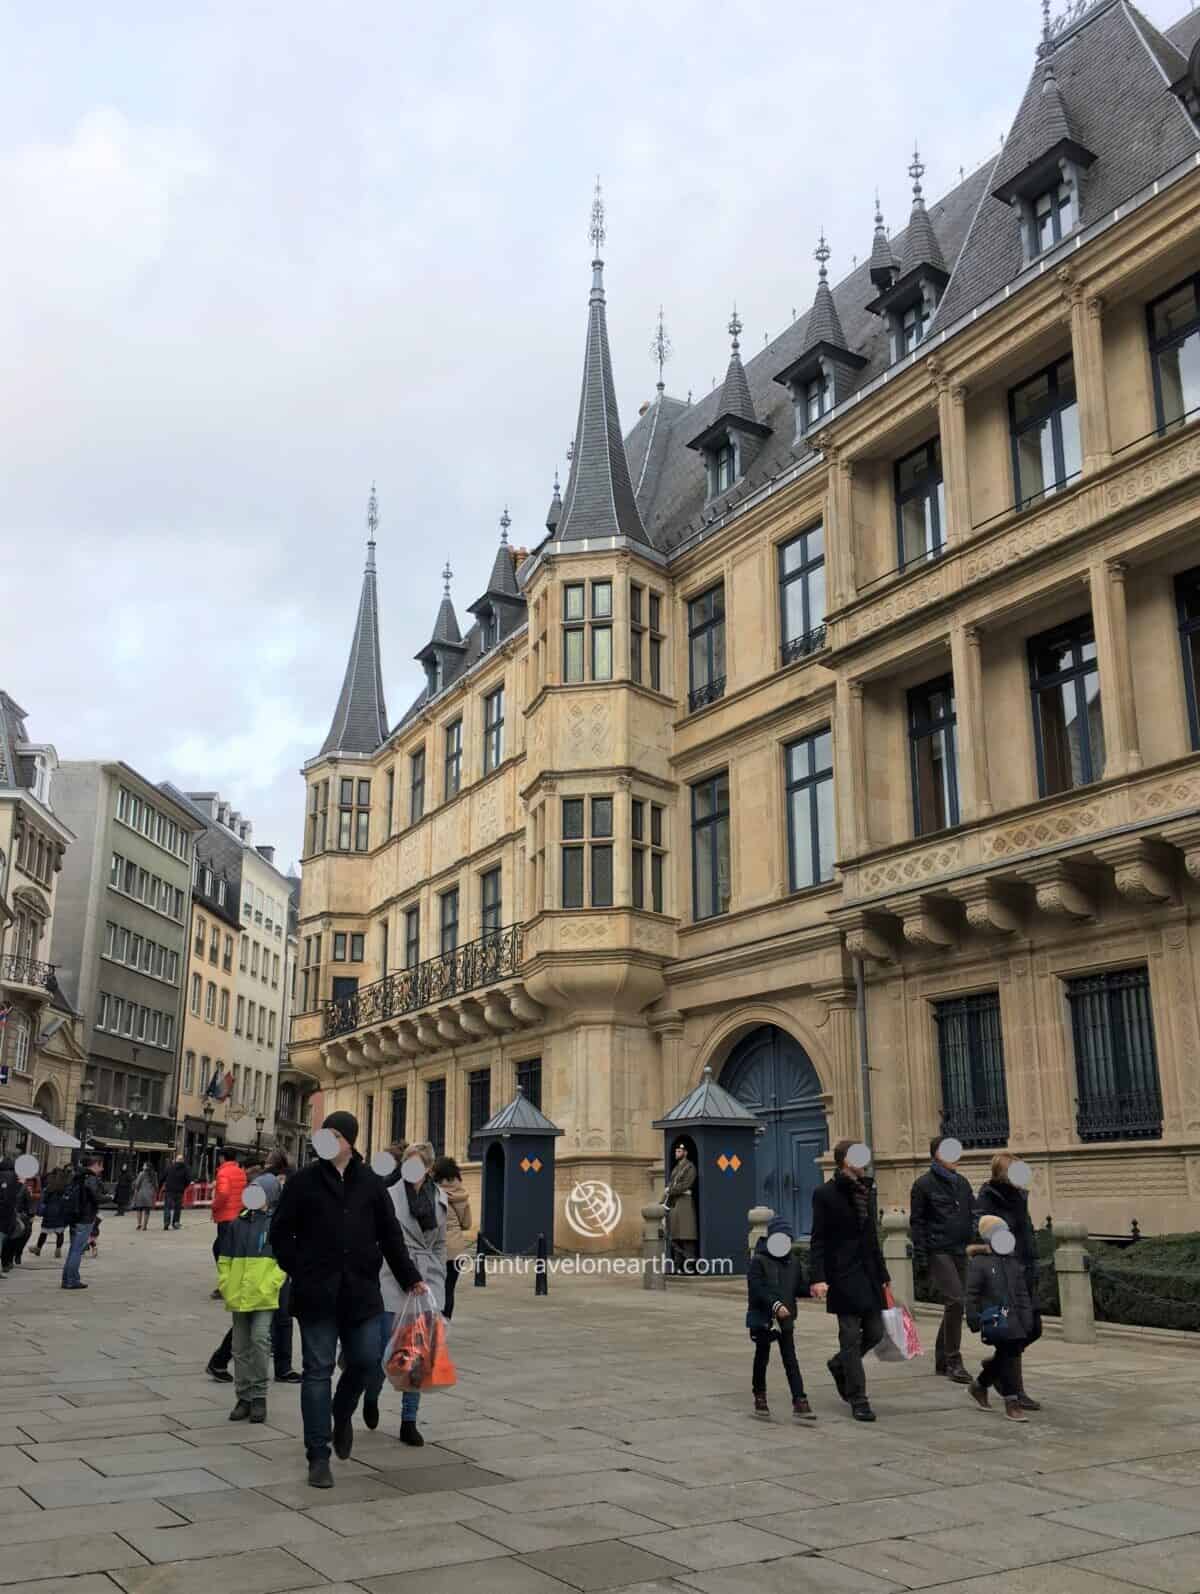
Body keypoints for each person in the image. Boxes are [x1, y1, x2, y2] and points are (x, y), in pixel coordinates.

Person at [269, 1110, 425, 1490]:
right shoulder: (303, 1182)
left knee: (367, 1360)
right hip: (316, 1294)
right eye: (325, 1133)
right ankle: (318, 1455)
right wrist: (301, 1268)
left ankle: (342, 1411)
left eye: (335, 1134)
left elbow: (390, 1236)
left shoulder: (370, 1184)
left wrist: (410, 1279)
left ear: (350, 1142)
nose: (327, 1140)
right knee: (318, 1370)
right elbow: (279, 1234)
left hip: (360, 1294)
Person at [370, 1141, 447, 1447]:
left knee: (416, 1355)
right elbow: (380, 1241)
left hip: (425, 1284)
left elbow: (440, 1243)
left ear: (428, 1170)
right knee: (382, 1352)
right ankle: (371, 1397)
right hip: (392, 1279)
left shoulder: (439, 1200)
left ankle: (409, 1421)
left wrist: (437, 1277)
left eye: (418, 1166)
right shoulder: (387, 1197)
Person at [809, 1140, 890, 1424]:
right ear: (844, 1160)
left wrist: (884, 1277)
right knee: (850, 1336)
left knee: (876, 1332)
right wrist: (818, 1277)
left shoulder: (866, 1190)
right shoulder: (824, 1194)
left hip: (867, 1273)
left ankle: (838, 1364)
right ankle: (858, 1398)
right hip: (842, 1274)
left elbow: (872, 1238)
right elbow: (818, 1238)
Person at [206, 1168, 300, 1385]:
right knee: (263, 1319)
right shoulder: (250, 1218)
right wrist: (228, 1284)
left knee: (279, 1319)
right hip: (266, 1274)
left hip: (274, 1271)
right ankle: (223, 1361)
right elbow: (225, 1251)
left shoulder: (276, 1209)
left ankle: (281, 1368)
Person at [215, 1173, 287, 1424]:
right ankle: (243, 1396)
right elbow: (224, 1258)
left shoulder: (276, 1224)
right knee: (239, 1347)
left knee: (260, 1340)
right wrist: (225, 1283)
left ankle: (259, 1396)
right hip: (238, 1294)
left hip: (263, 1295)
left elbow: (284, 1261)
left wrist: (272, 1283)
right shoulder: (238, 1224)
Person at [976, 1152, 1041, 1411]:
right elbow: (986, 1235)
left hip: (1024, 1271)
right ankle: (1014, 1392)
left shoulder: (1019, 1197)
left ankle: (988, 1374)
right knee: (1012, 1335)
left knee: (1033, 1328)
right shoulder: (989, 1198)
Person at [909, 1136, 974, 1385]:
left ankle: (941, 1358)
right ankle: (953, 1361)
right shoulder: (923, 1185)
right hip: (938, 1250)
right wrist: (922, 1258)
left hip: (960, 1249)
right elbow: (918, 1224)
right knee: (956, 1300)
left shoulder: (962, 1183)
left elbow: (973, 1213)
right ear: (936, 1155)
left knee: (955, 1303)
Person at [965, 1215, 1036, 1422]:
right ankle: (1011, 1401)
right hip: (995, 1315)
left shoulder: (1013, 1262)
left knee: (1007, 1353)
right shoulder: (980, 1262)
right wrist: (973, 1317)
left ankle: (980, 1385)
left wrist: (1027, 1316)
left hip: (1015, 1316)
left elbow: (1022, 1292)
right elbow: (972, 1293)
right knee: (1008, 1354)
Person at [747, 1216, 815, 1422]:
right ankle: (760, 1396)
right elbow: (757, 1290)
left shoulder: (793, 1262)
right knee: (762, 1357)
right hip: (764, 1318)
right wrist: (775, 1305)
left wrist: (812, 1290)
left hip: (785, 1318)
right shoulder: (758, 1261)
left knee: (790, 1359)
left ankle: (799, 1400)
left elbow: (798, 1288)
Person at [432, 1154, 471, 1321]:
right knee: (449, 1289)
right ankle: (444, 1327)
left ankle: (433, 1325)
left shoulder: (431, 1191)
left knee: (435, 1289)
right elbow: (467, 1223)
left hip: (436, 1247)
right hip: (456, 1251)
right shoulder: (461, 1194)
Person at [62, 1153, 104, 1290]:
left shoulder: (77, 1176)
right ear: (95, 1164)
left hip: (74, 1216)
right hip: (85, 1217)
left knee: (73, 1249)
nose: (102, 1169)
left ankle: (67, 1278)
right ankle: (71, 1280)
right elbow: (95, 1197)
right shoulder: (90, 1178)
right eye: (101, 1166)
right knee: (77, 1250)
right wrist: (109, 1198)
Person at [210, 1150, 247, 1295]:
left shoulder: (223, 1173)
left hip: (226, 1217)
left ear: (222, 1158)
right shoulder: (240, 1172)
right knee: (230, 1249)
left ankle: (227, 1284)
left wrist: (214, 1206)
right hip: (238, 1216)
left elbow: (223, 1193)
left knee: (221, 1250)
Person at [664, 1140, 698, 1273]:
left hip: (685, 1204)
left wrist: (670, 1190)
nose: (676, 1153)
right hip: (675, 1204)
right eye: (676, 1151)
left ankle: (688, 1266)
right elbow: (672, 1184)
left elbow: (685, 1185)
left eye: (679, 1151)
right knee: (676, 1237)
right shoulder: (677, 1168)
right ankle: (678, 1266)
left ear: (685, 1153)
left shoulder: (690, 1167)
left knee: (687, 1236)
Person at [0, 1160, 33, 1272]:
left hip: (8, 1214)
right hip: (11, 1215)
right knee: (13, 1238)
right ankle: (8, 1261)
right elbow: (27, 1202)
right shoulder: (18, 1183)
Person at [33, 1165, 71, 1259]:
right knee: (60, 1233)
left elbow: (44, 1200)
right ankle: (58, 1250)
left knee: (44, 1232)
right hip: (60, 1213)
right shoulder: (64, 1186)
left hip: (49, 1212)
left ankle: (38, 1248)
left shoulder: (49, 1187)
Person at [160, 1156, 193, 1231]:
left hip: (169, 1190)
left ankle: (166, 1222)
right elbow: (188, 1180)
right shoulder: (185, 1169)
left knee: (167, 1207)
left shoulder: (169, 1167)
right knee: (177, 1208)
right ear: (183, 1161)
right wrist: (184, 1187)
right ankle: (175, 1223)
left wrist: (160, 1185)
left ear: (175, 1160)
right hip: (179, 1191)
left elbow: (162, 1178)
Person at [131, 1164, 158, 1231]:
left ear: (146, 1167)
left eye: (144, 1165)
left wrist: (134, 1187)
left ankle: (139, 1224)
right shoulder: (154, 1174)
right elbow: (156, 1185)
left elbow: (137, 1184)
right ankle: (145, 1226)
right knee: (147, 1211)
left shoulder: (141, 1174)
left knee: (139, 1209)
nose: (143, 1166)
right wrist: (154, 1192)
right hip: (150, 1194)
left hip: (141, 1194)